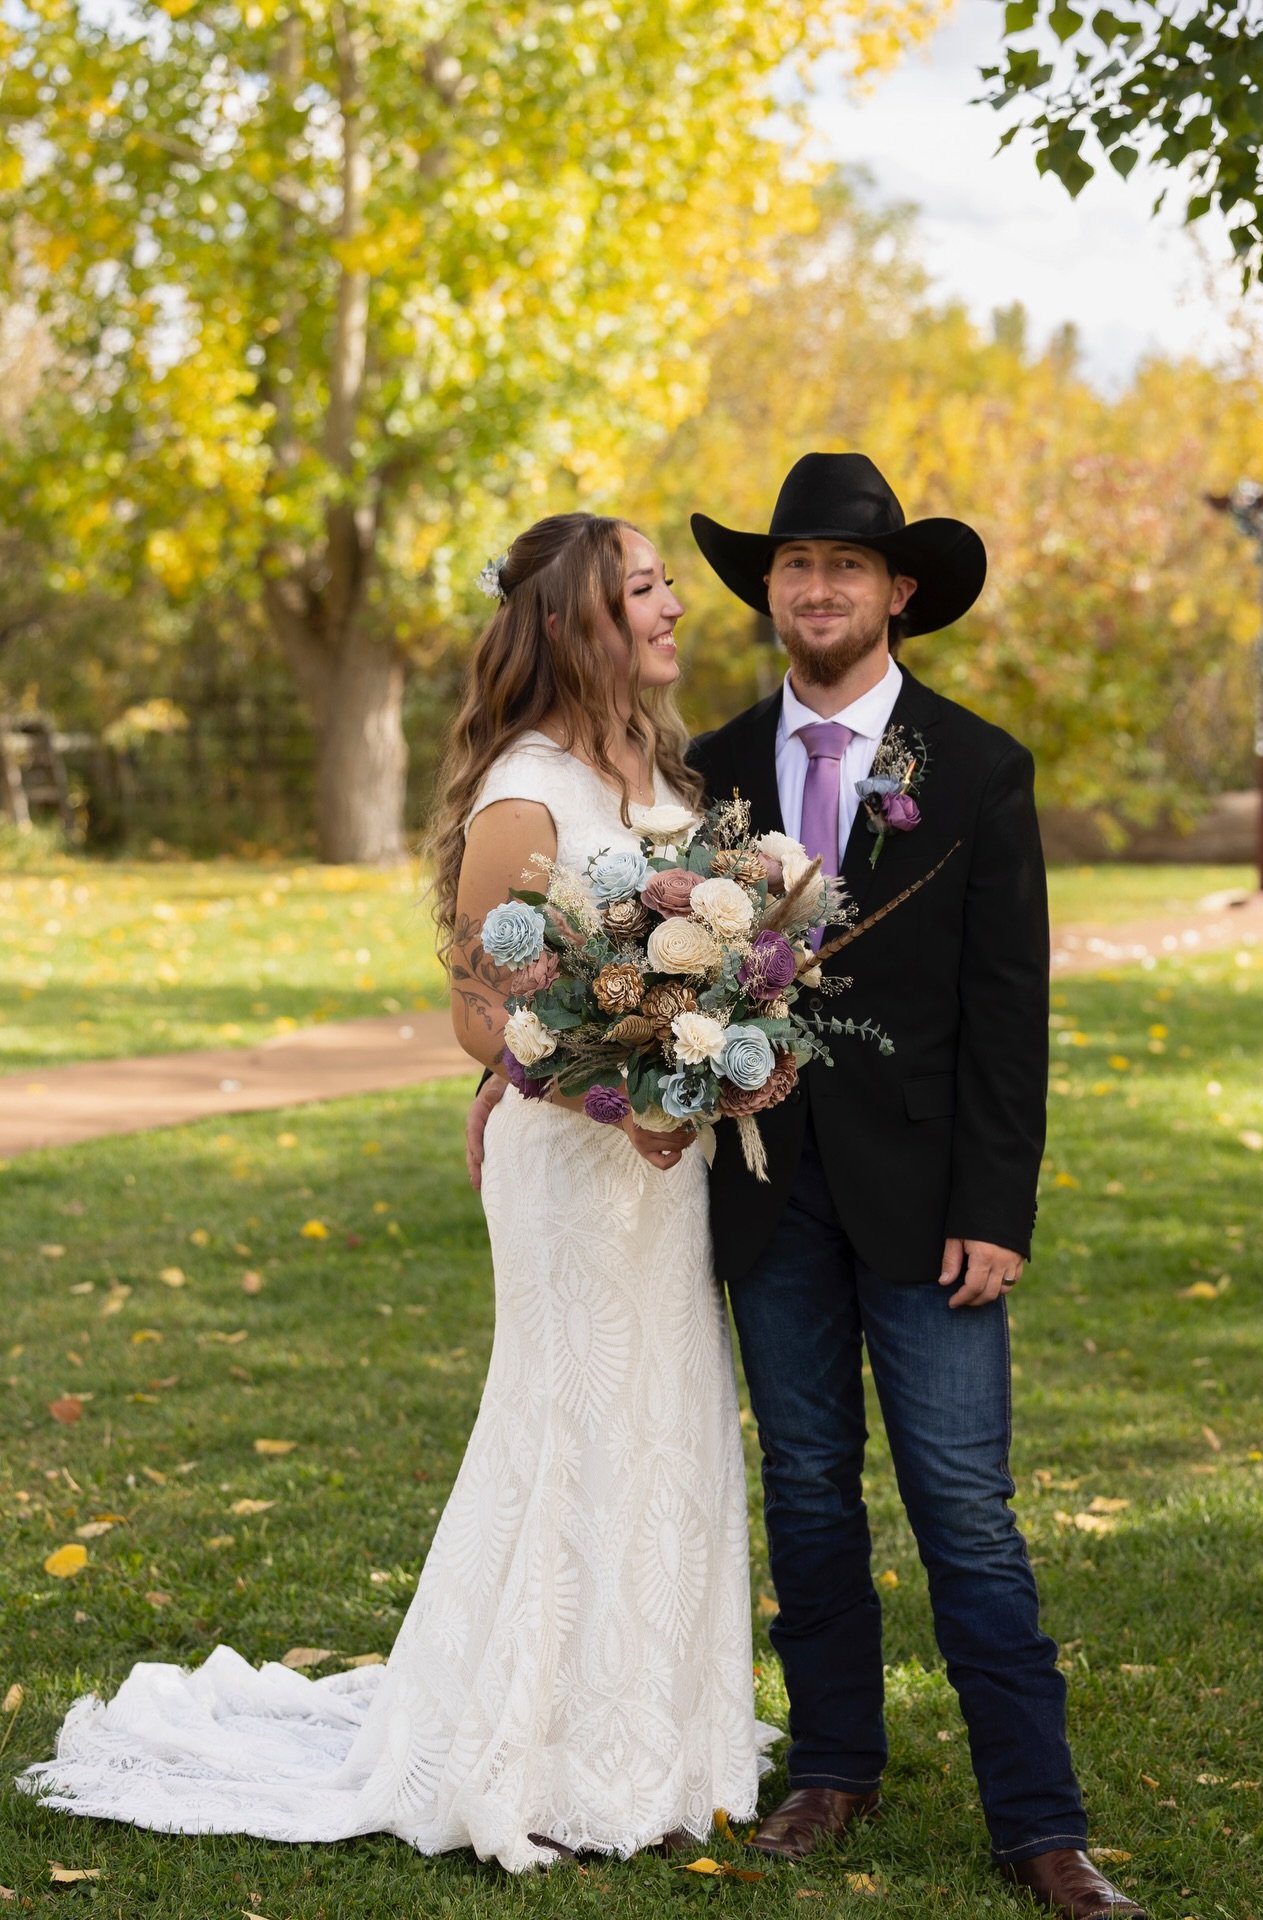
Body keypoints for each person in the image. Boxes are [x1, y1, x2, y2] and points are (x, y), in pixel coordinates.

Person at [20, 512, 774, 1872]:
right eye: (647, 589)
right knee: (570, 1423)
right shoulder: (530, 792)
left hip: (663, 1171)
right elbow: (484, 1011)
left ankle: (649, 1739)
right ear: (579, 622)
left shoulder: (653, 763)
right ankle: (528, 1743)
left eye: (665, 586)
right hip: (577, 1166)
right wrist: (624, 1085)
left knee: (659, 1419)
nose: (673, 609)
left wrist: (697, 1076)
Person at [470, 455, 1144, 1918]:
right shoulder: (700, 769)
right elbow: (597, 951)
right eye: (793, 567)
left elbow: (1007, 1012)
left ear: (900, 592)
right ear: (766, 591)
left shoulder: (977, 769)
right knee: (809, 1491)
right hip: (761, 1194)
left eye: (848, 567)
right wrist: (518, 1069)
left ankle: (1041, 1823)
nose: (819, 589)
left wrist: (997, 1208)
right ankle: (834, 1765)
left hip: (931, 1211)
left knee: (965, 1506)